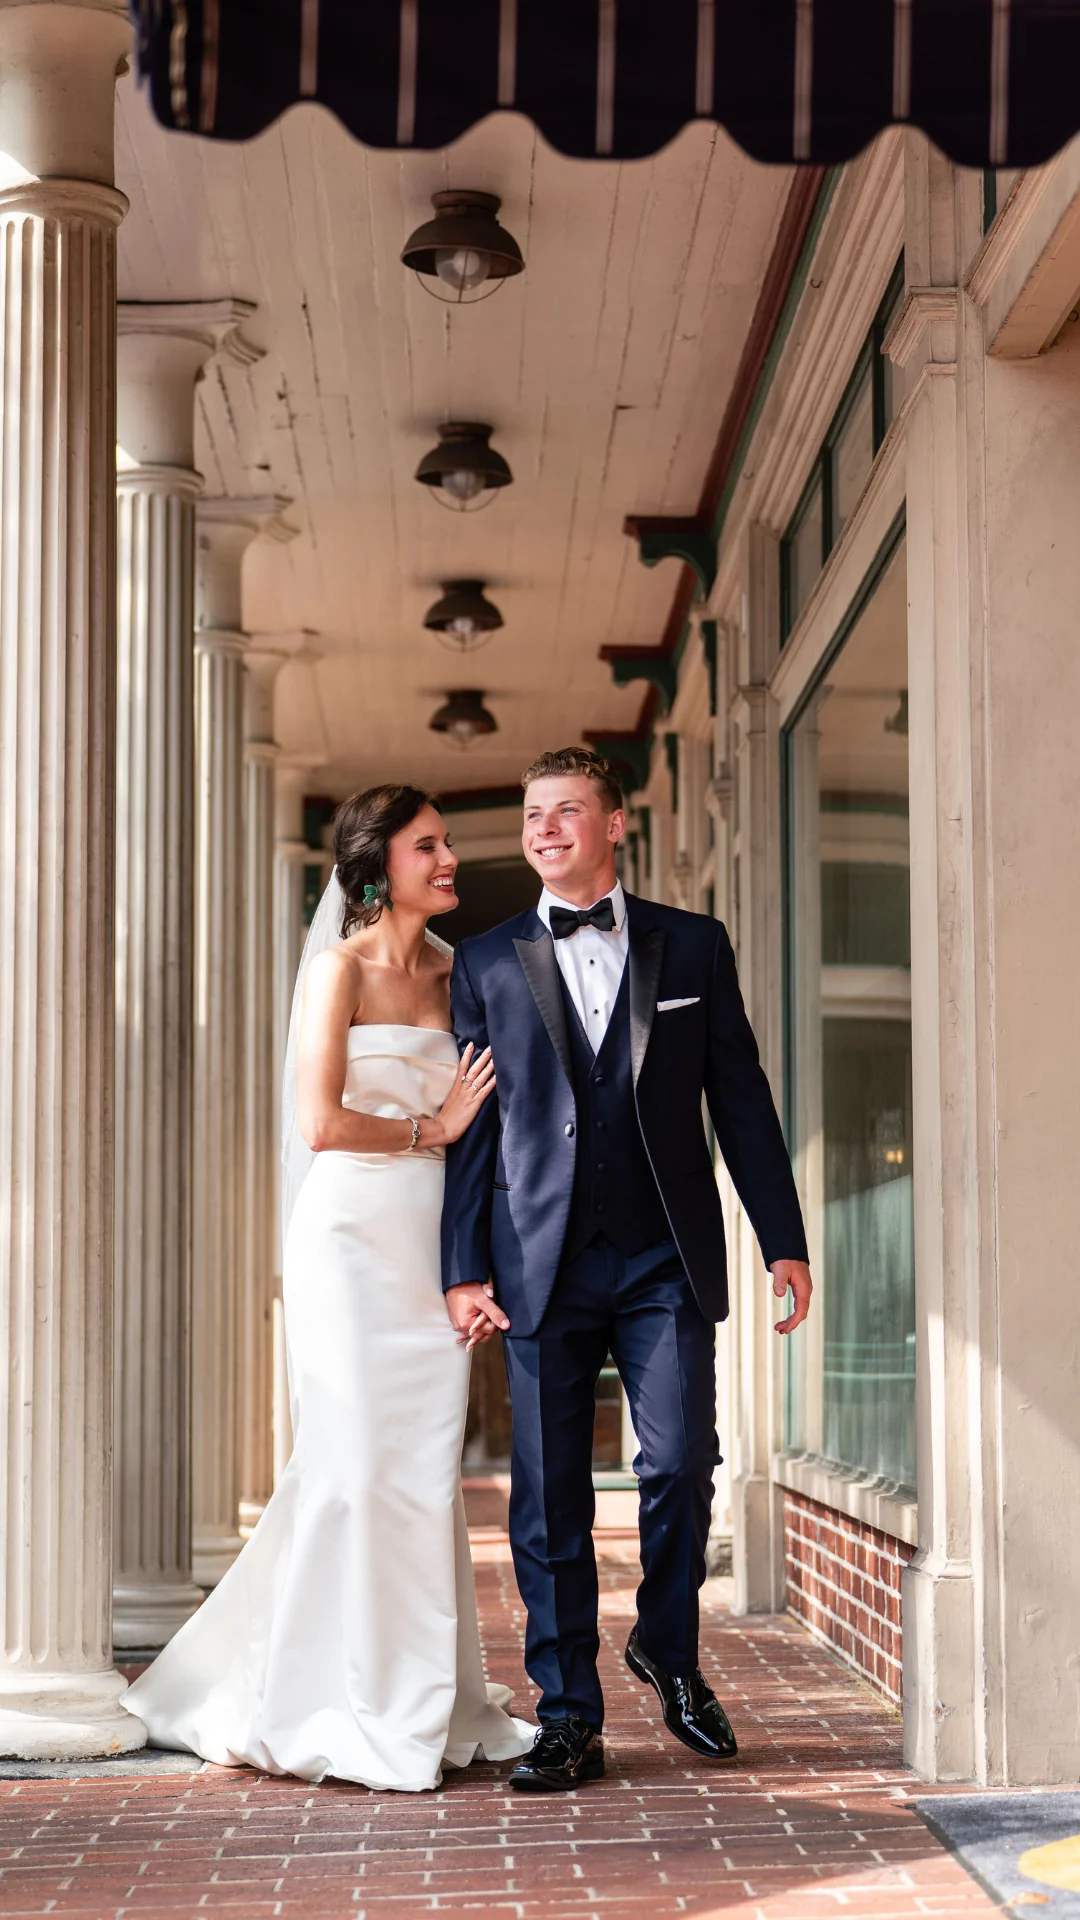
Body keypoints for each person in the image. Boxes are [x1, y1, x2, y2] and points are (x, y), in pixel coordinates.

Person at [123, 785, 534, 1791]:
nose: (447, 860)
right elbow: (318, 1123)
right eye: (427, 846)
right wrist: (428, 1130)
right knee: (351, 1469)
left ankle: (424, 1702)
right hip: (348, 1240)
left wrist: (475, 1241)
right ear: (375, 865)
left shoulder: (462, 973)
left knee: (421, 1478)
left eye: (446, 844)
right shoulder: (335, 971)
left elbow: (493, 1123)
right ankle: (328, 1700)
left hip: (431, 1247)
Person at [441, 748, 812, 1793]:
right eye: (531, 815)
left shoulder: (692, 947)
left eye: (567, 811)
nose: (545, 829)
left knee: (681, 1461)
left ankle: (668, 1647)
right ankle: (569, 1717)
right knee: (550, 1498)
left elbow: (739, 1099)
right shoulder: (486, 962)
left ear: (612, 828)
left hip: (661, 1254)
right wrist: (463, 1266)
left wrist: (782, 1236)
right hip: (536, 1264)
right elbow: (474, 1137)